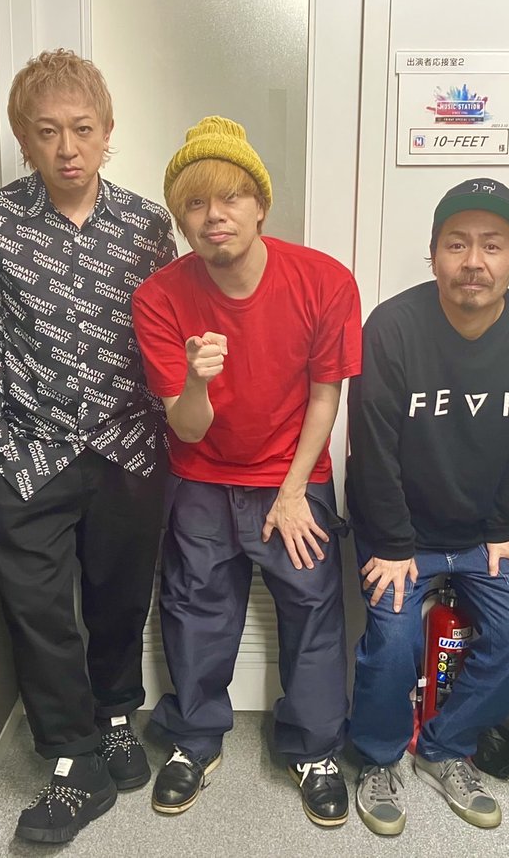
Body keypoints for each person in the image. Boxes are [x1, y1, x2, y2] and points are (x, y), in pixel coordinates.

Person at [0, 49, 176, 844]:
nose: (67, 148)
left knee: (120, 597)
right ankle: (73, 760)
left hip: (128, 449)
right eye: (47, 132)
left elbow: (166, 338)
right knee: (41, 613)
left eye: (82, 129)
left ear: (108, 131)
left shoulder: (147, 227)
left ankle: (115, 717)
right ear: (23, 138)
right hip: (30, 455)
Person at [131, 117, 362, 827]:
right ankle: (194, 739)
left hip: (293, 474)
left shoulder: (324, 281)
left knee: (312, 606)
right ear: (181, 221)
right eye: (195, 204)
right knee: (194, 607)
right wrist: (197, 380)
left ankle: (314, 749)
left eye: (230, 197)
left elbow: (326, 395)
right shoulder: (159, 299)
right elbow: (186, 427)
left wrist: (293, 492)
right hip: (201, 475)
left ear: (261, 205)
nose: (214, 216)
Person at [345, 178, 509, 836]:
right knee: (393, 642)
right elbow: (372, 447)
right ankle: (378, 758)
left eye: (492, 246)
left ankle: (445, 748)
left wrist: (502, 528)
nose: (474, 261)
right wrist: (392, 543)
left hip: (482, 534)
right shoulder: (393, 327)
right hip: (400, 532)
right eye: (457, 244)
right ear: (434, 253)